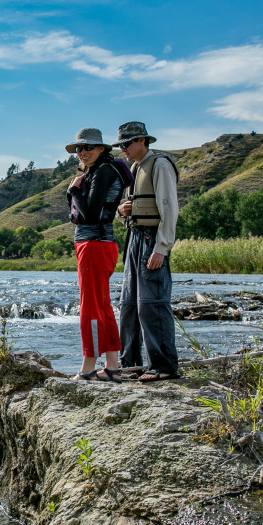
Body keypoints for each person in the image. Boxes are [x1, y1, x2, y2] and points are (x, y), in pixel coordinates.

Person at [114, 121, 180, 381]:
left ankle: (163, 367)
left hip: (152, 239)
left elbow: (169, 209)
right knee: (129, 304)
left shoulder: (160, 165)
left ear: (142, 140)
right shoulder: (134, 168)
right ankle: (130, 363)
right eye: (120, 145)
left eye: (126, 144)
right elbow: (133, 208)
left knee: (152, 303)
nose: (123, 149)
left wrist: (161, 248)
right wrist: (121, 212)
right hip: (135, 238)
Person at [65, 128, 125, 382]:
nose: (83, 152)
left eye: (88, 147)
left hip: (94, 245)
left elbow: (89, 213)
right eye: (79, 148)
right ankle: (113, 367)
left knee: (90, 308)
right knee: (103, 306)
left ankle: (88, 368)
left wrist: (74, 191)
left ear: (101, 149)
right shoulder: (99, 172)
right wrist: (75, 191)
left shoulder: (102, 173)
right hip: (100, 244)